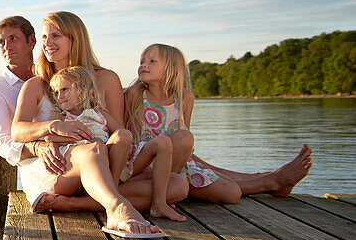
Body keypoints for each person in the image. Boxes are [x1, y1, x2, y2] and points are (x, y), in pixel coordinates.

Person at [0, 15, 183, 218]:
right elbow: (17, 131)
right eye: (45, 36)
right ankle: (116, 207)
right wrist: (53, 126)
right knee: (93, 150)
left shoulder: (107, 78)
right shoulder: (38, 83)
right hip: (66, 166)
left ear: (75, 39)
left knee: (179, 185)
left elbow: (118, 129)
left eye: (55, 36)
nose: (47, 43)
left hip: (107, 159)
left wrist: (92, 102)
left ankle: (78, 203)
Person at [125, 43, 313, 203]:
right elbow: (129, 137)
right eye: (142, 61)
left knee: (231, 193)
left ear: (172, 69)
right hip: (147, 165)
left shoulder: (184, 97)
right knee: (222, 181)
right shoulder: (135, 94)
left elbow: (185, 141)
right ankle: (272, 181)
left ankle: (270, 180)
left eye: (151, 61)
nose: (143, 65)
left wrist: (198, 166)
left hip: (177, 164)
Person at [45, 66, 185, 222]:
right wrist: (84, 140)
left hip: (114, 163)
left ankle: (158, 204)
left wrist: (128, 149)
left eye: (65, 90)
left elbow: (122, 133)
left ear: (83, 89)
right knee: (118, 138)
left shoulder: (99, 112)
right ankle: (112, 195)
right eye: (56, 92)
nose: (60, 96)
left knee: (161, 142)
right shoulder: (61, 116)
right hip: (90, 169)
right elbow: (50, 138)